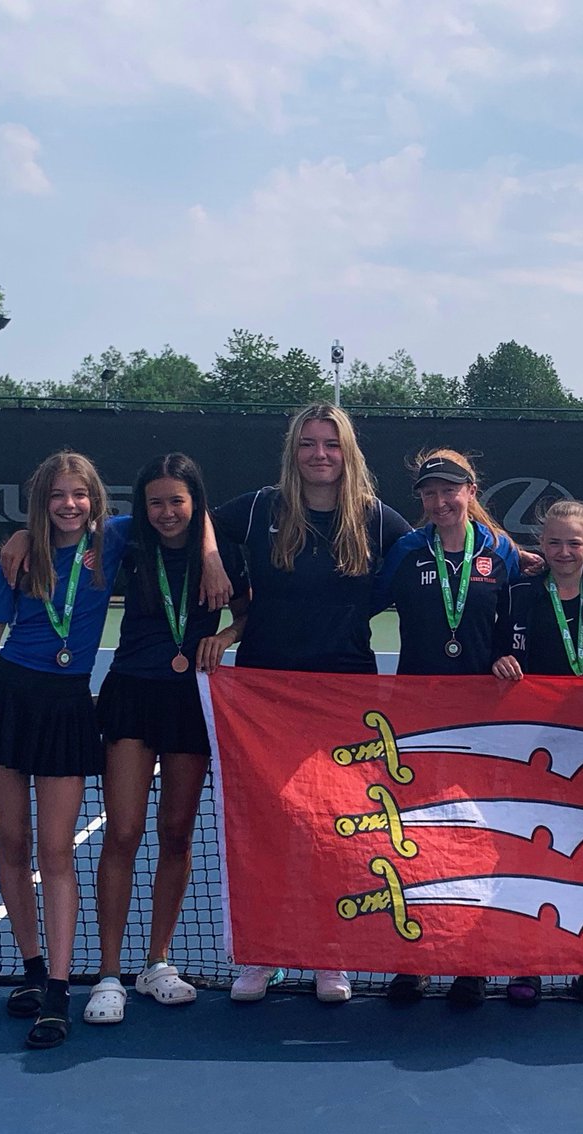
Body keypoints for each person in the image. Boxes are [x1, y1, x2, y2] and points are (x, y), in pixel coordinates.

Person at [213, 404, 411, 1003]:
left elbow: (445, 542)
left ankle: (331, 955)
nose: (320, 454)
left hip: (343, 694)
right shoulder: (256, 509)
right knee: (266, 827)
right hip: (264, 697)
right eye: (308, 443)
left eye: (331, 444)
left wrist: (514, 552)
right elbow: (186, 522)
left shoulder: (378, 520)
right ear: (292, 451)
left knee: (336, 830)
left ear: (347, 452)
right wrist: (216, 575)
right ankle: (261, 953)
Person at [0, 450, 131, 1049]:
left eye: (79, 494)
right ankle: (32, 972)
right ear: (41, 502)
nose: (69, 505)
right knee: (14, 843)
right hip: (6, 703)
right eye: (57, 496)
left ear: (94, 498)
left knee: (57, 850)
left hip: (67, 708)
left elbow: (188, 517)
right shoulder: (18, 558)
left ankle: (59, 990)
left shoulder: (114, 543)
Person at [82, 454, 250, 1026]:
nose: (166, 511)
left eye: (177, 500)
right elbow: (65, 525)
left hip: (193, 702)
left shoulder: (223, 547)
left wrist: (225, 634)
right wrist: (21, 539)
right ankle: (108, 974)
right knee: (123, 833)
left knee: (176, 832)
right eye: (156, 501)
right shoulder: (127, 539)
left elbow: (252, 613)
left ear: (194, 502)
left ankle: (157, 963)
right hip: (131, 693)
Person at [374, 449, 521, 1009]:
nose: (440, 501)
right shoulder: (407, 550)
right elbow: (357, 605)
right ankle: (414, 960)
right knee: (417, 839)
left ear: (471, 490)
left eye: (449, 490)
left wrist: (508, 654)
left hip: (485, 724)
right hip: (417, 722)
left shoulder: (501, 551)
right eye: (430, 493)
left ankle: (471, 961)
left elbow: (518, 619)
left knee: (477, 841)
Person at [491, 499, 583, 1008]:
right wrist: (498, 659)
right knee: (526, 850)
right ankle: (526, 962)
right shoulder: (518, 593)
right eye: (554, 542)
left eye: (574, 542)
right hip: (528, 746)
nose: (564, 551)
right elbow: (494, 649)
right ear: (541, 545)